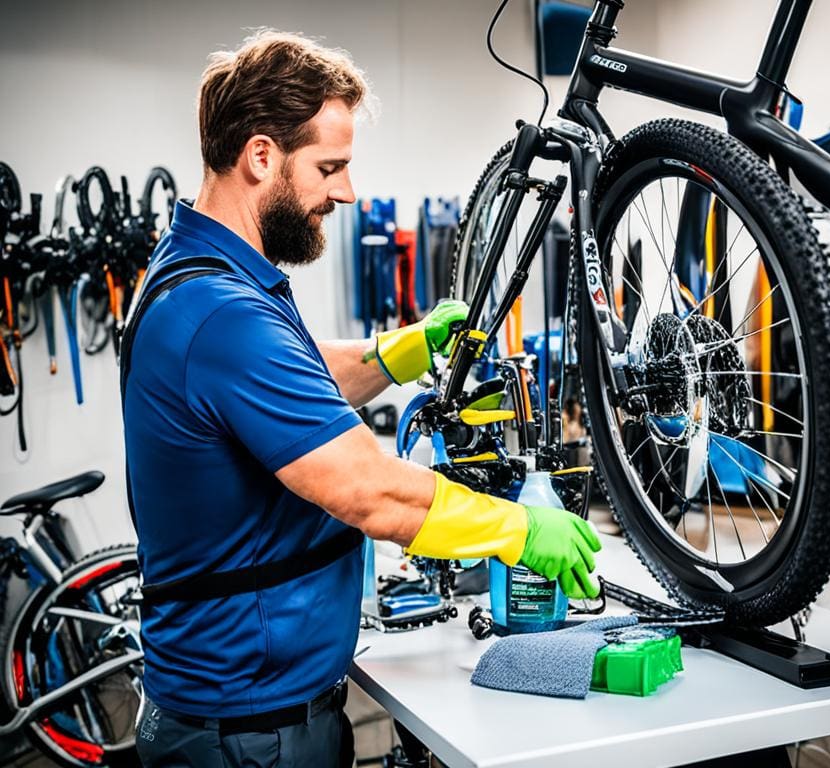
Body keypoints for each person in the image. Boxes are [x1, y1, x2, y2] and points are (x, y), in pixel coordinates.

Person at [124, 30, 602, 768]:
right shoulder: (223, 315)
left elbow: (296, 378)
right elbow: (367, 491)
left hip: (237, 713)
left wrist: (399, 350)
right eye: (330, 167)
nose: (345, 192)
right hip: (251, 736)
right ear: (260, 156)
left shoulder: (195, 271)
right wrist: (517, 529)